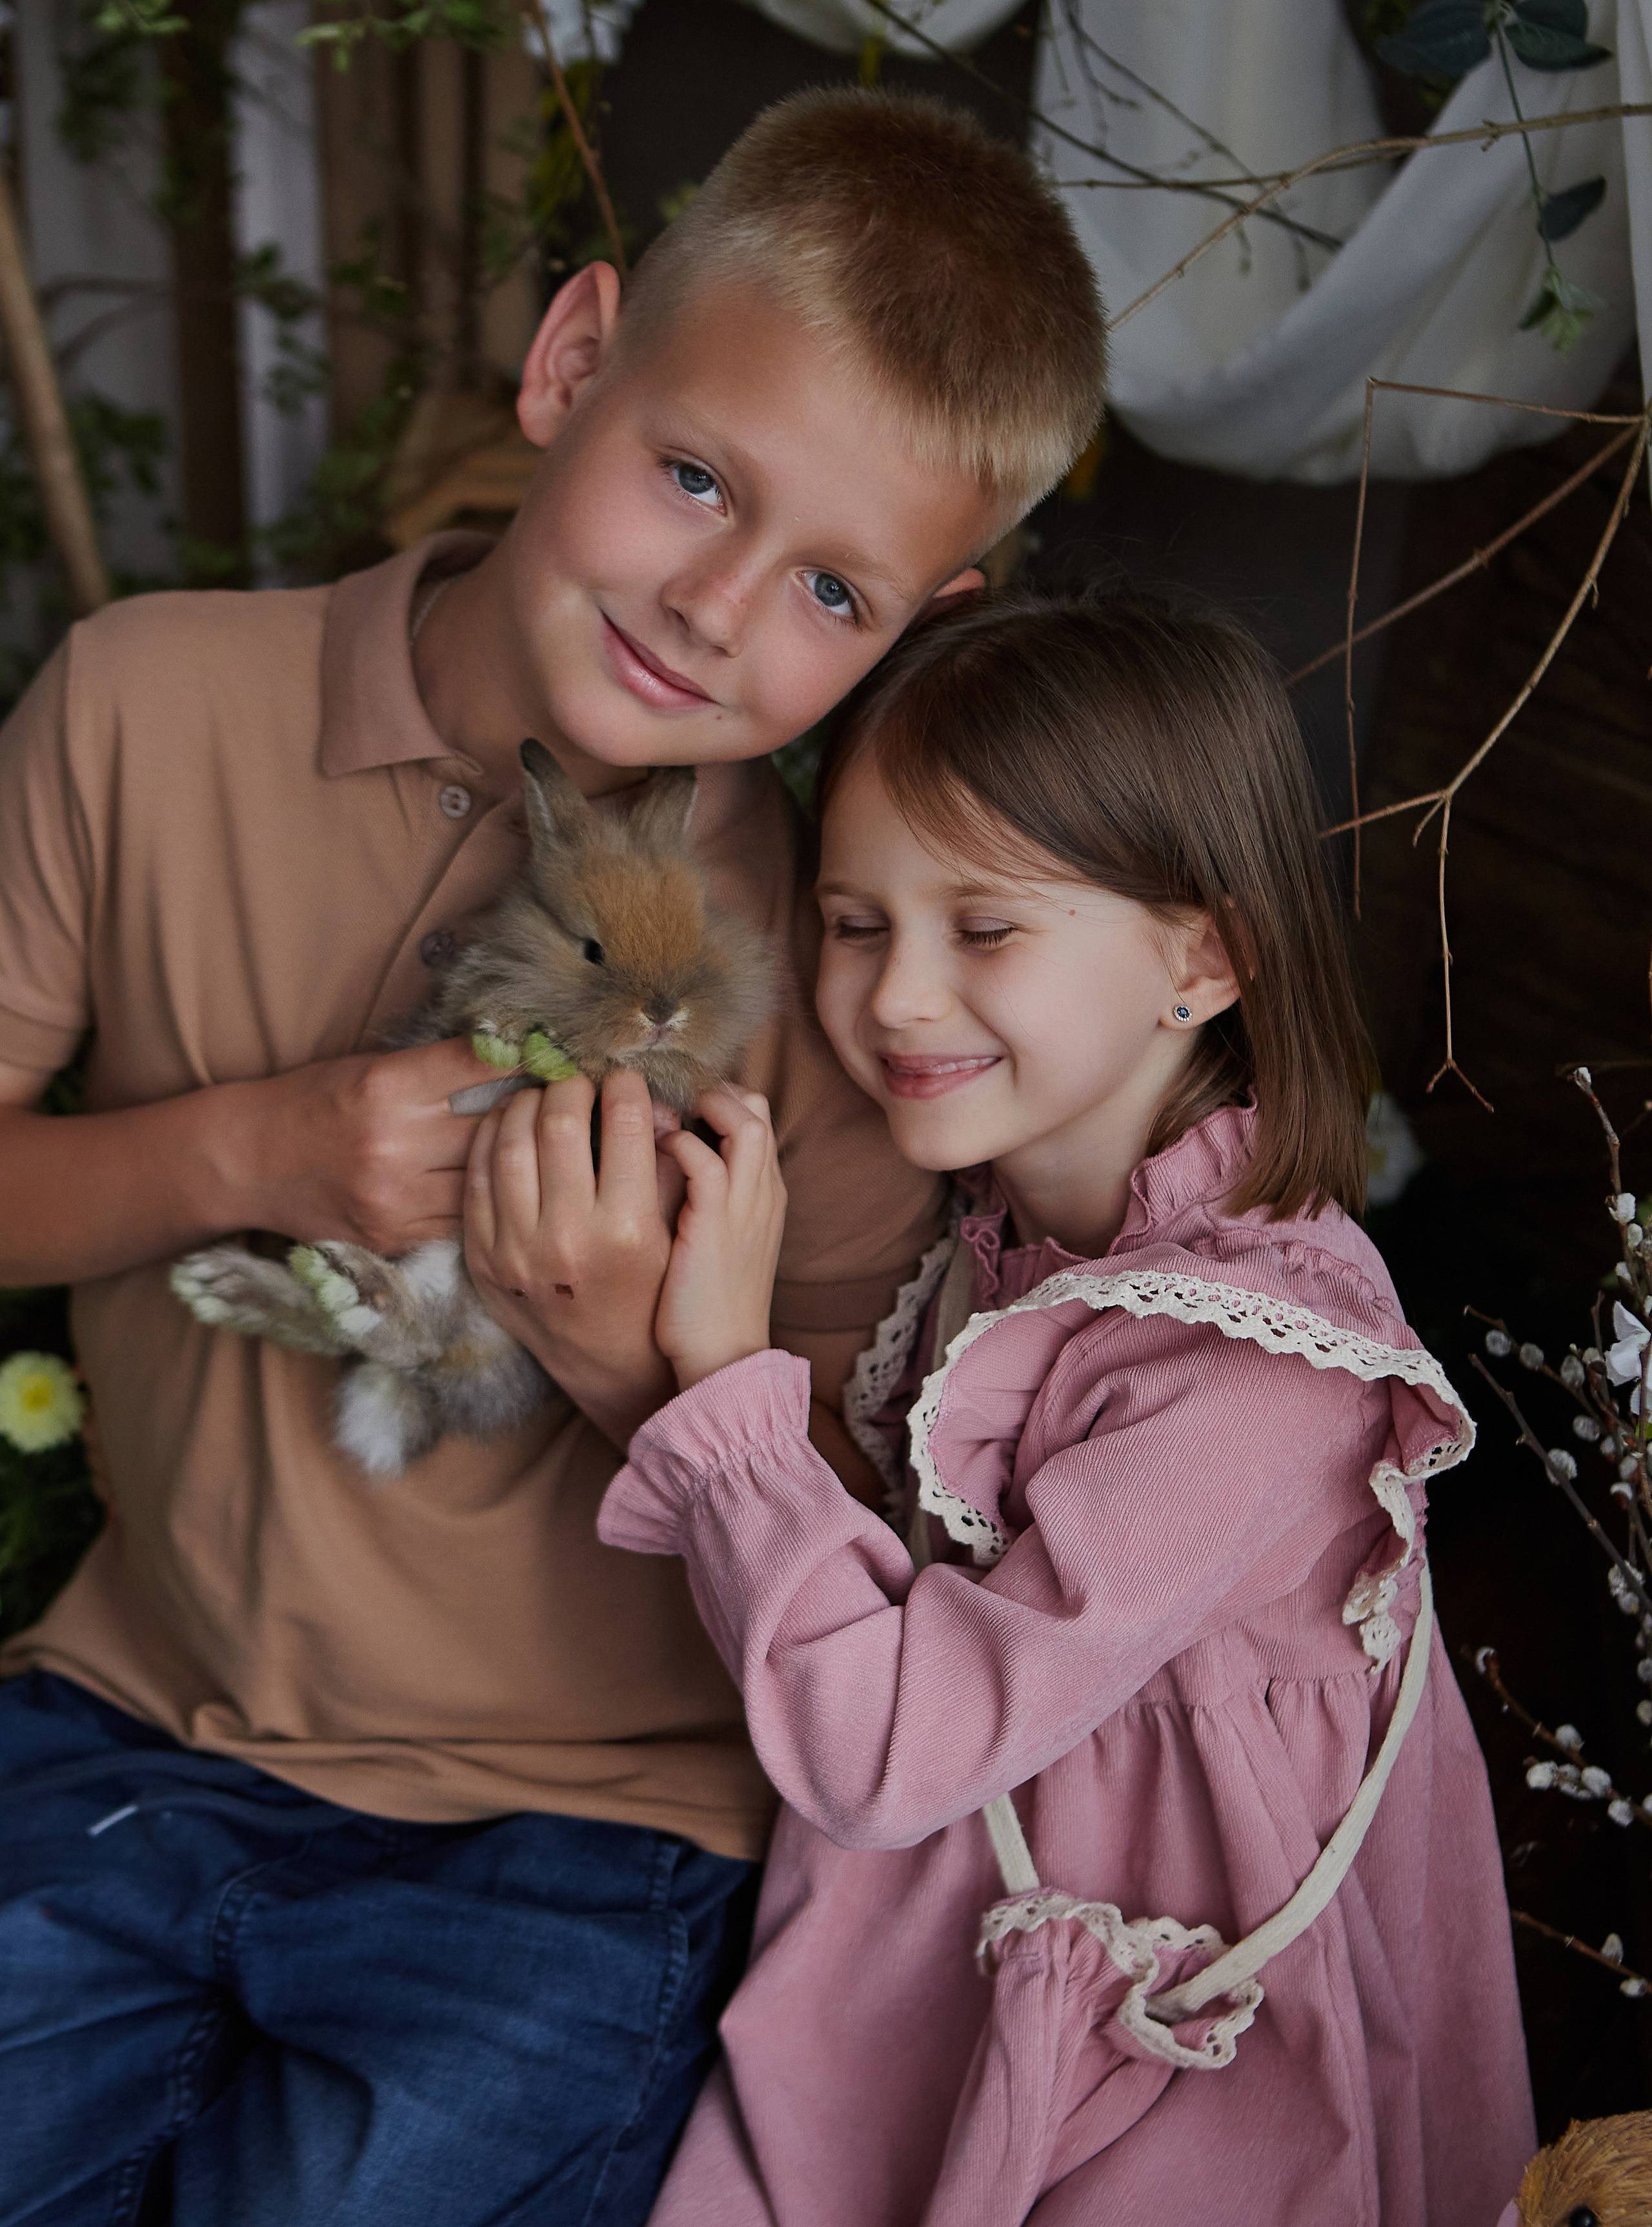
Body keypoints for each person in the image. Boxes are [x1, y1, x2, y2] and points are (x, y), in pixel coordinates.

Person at [0, 94, 1107, 2226]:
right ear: (572, 358)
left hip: (586, 1829)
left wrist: (636, 1367)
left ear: (919, 619)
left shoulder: (853, 964)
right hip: (140, 1725)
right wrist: (264, 1149)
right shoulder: (143, 709)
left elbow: (877, 1547)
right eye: (691, 475)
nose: (709, 611)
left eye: (828, 589)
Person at [559, 587, 1537, 2224]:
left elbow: (879, 1746)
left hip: (1165, 2055)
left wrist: (721, 1375)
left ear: (1201, 956)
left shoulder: (1248, 1370)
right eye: (856, 921)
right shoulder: (1020, 1248)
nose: (896, 999)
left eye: (985, 927)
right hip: (940, 1953)